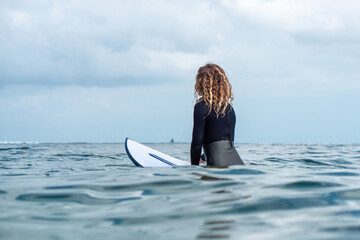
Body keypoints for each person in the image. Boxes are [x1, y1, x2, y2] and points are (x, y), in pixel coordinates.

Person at [190, 63, 244, 167]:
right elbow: (226, 143)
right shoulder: (229, 109)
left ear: (201, 83)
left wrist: (193, 167)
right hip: (237, 164)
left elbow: (197, 143)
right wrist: (203, 157)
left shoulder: (201, 107)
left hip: (218, 165)